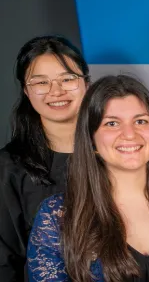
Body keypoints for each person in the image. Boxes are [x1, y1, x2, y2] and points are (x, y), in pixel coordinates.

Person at [26, 75, 149, 281]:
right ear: (91, 139)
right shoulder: (56, 217)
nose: (129, 134)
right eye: (112, 123)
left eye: (140, 121)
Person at [0, 36, 89, 281]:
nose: (56, 91)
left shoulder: (118, 153)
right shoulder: (9, 168)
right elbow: (5, 262)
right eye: (41, 83)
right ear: (27, 91)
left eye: (67, 79)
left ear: (86, 84)